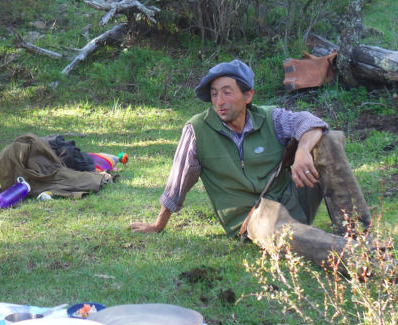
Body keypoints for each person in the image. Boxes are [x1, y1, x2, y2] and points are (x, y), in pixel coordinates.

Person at [129, 60, 372, 268]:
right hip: (254, 219)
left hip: (293, 200)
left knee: (328, 139)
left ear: (248, 95)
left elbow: (311, 121)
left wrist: (303, 152)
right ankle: (361, 258)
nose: (219, 101)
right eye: (214, 94)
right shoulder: (197, 130)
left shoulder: (270, 118)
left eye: (227, 92)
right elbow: (178, 182)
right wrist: (158, 224)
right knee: (274, 229)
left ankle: (358, 234)